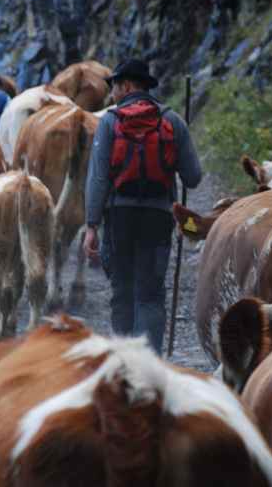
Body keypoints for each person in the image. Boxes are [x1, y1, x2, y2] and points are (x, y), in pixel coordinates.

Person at [82, 58, 202, 354]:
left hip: (119, 220)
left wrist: (91, 226)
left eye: (114, 87)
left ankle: (124, 365)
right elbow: (194, 177)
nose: (111, 94)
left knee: (122, 294)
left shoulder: (110, 122)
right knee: (150, 296)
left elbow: (97, 179)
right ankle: (150, 367)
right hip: (158, 218)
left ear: (127, 86)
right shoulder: (172, 121)